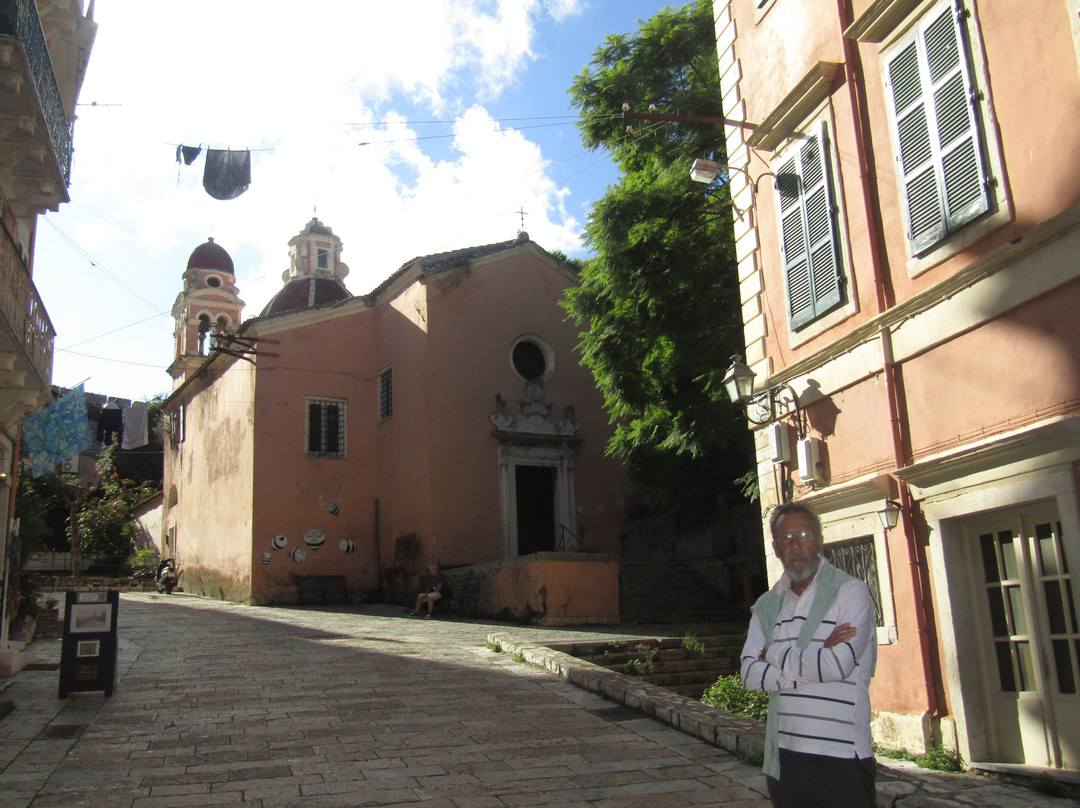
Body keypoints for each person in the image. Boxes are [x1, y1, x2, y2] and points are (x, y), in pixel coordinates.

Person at [741, 502, 877, 808]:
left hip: (842, 758)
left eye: (803, 534)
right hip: (786, 760)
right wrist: (813, 660)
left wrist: (770, 653)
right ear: (775, 548)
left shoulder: (850, 592)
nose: (795, 545)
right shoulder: (766, 606)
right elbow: (748, 675)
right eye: (786, 538)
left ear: (818, 540)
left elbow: (837, 665)